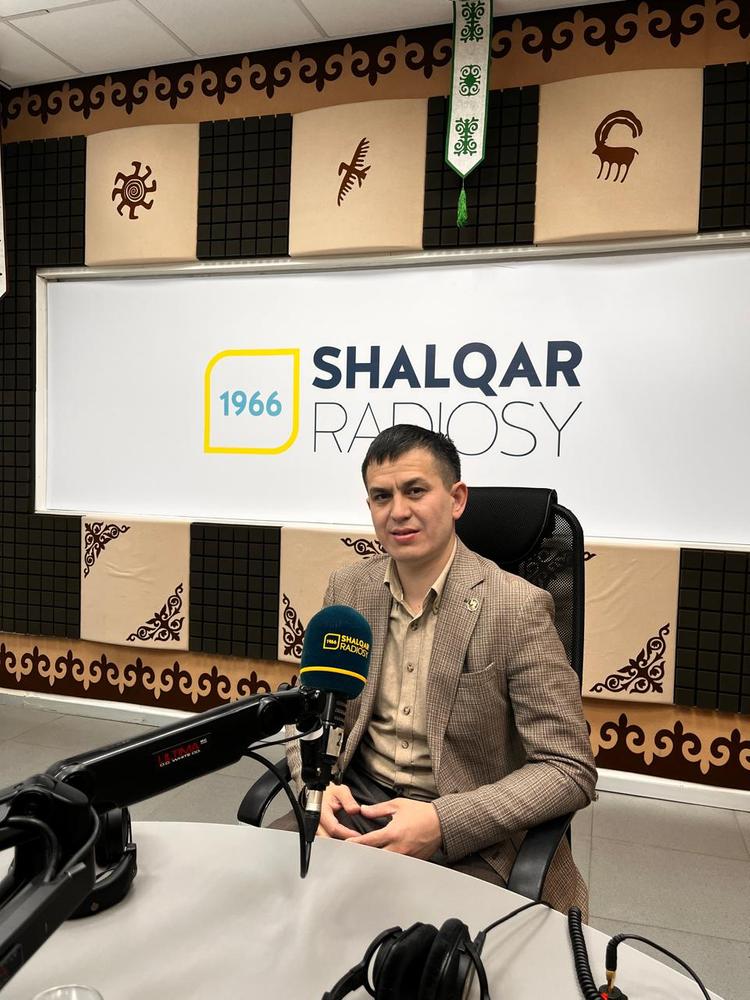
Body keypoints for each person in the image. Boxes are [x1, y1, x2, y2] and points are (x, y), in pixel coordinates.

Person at [285, 424, 597, 914]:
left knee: (418, 954)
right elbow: (305, 713)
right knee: (267, 909)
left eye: (415, 491)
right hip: (353, 804)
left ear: (456, 499)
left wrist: (442, 823)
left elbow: (568, 768)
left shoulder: (515, 607)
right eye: (381, 496)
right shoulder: (348, 590)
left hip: (468, 831)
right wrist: (316, 786)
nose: (398, 511)